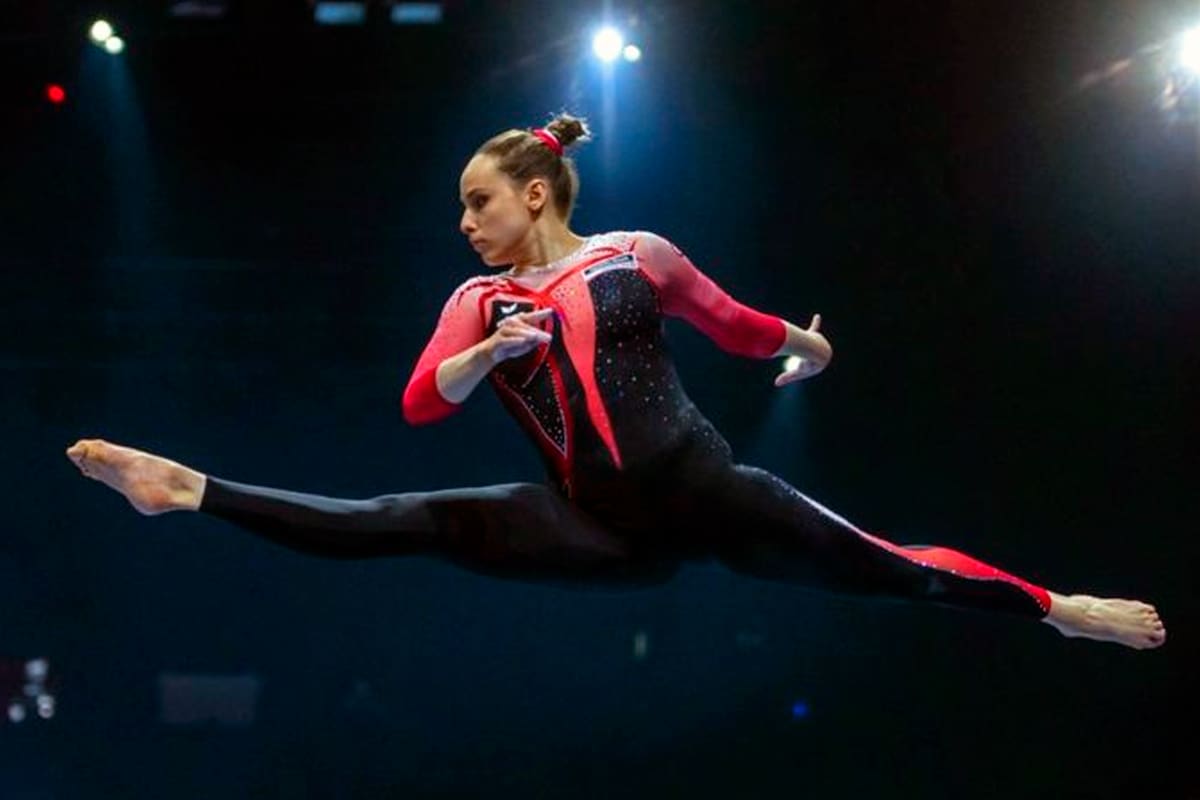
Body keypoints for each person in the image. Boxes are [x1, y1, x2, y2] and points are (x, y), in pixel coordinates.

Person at [67, 114, 1165, 650]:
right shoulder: (475, 302)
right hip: (596, 529)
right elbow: (419, 402)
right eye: (462, 208)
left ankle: (1056, 608)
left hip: (708, 492)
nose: (465, 222)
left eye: (479, 202)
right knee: (396, 517)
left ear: (536, 194)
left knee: (885, 563)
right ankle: (186, 489)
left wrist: (811, 348)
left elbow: (737, 328)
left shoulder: (636, 254)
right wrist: (485, 354)